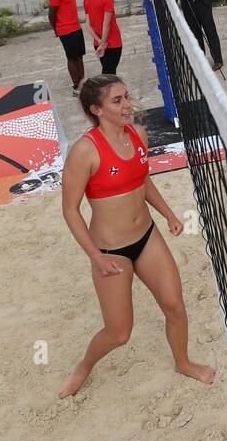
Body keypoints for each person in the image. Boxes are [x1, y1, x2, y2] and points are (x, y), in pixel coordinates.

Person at [58, 74, 214, 397]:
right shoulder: (85, 152)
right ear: (96, 110)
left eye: (126, 96)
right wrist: (96, 257)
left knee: (175, 306)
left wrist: (168, 214)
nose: (127, 105)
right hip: (110, 250)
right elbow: (70, 210)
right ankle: (84, 367)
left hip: (146, 236)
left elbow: (141, 181)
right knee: (118, 334)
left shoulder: (138, 134)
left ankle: (183, 362)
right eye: (117, 101)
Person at [47, 0, 84, 96]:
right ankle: (76, 86)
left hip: (76, 27)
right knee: (72, 57)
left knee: (80, 56)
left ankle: (82, 82)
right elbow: (51, 14)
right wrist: (56, 30)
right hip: (66, 30)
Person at [81, 0, 122, 76]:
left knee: (108, 72)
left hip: (98, 42)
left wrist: (98, 41)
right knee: (109, 74)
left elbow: (88, 25)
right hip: (112, 42)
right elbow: (106, 23)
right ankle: (104, 92)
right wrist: (103, 43)